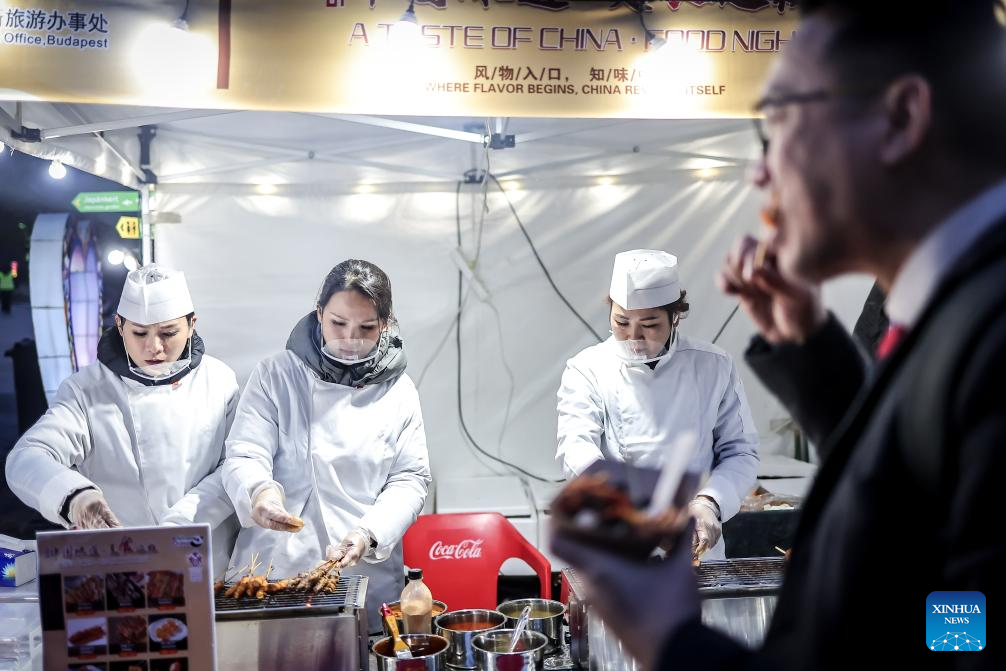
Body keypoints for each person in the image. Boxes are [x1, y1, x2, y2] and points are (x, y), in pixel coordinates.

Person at [551, 1, 1005, 669]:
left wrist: (670, 639)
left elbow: (962, 642)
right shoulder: (932, 312)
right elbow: (917, 539)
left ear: (901, 118)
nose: (761, 174)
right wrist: (815, 353)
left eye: (780, 125)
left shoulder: (991, 335)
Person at [221, 259, 430, 632]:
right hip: (276, 565)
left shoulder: (399, 391)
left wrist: (368, 534)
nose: (350, 338)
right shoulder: (277, 375)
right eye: (338, 323)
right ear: (318, 314)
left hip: (361, 567)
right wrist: (260, 492)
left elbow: (410, 479)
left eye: (366, 328)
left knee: (359, 649)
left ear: (386, 324)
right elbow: (245, 452)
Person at [6, 264, 239, 572]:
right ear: (119, 325)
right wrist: (75, 497)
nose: (153, 347)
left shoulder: (219, 380)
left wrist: (183, 520)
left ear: (191, 324)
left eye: (168, 333)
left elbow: (234, 465)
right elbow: (26, 458)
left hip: (207, 559)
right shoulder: (87, 389)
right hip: (121, 564)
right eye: (139, 333)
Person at [556, 249, 759, 560]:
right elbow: (576, 448)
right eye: (621, 322)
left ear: (675, 317)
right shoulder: (587, 369)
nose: (633, 337)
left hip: (695, 540)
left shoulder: (713, 366)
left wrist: (709, 503)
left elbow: (740, 451)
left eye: (649, 324)